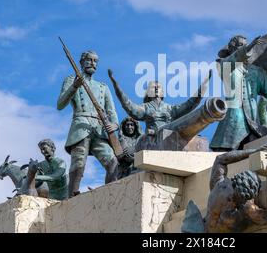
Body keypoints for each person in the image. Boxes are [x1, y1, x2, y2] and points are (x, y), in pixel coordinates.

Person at [210, 35, 267, 151]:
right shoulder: (225, 66)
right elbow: (232, 60)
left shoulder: (257, 72)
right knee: (228, 152)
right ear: (232, 49)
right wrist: (247, 48)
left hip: (252, 122)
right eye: (241, 46)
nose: (247, 47)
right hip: (233, 119)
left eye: (246, 45)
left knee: (253, 154)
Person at [57, 50, 119, 197]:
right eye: (89, 60)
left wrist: (115, 125)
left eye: (95, 61)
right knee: (78, 164)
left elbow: (112, 111)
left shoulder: (103, 87)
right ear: (81, 62)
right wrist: (74, 86)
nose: (92, 63)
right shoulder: (71, 79)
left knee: (113, 162)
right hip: (81, 125)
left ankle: (110, 193)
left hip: (99, 129)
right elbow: (60, 104)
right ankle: (72, 196)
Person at [182, 144, 267, 233]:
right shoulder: (247, 209)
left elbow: (220, 159)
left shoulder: (220, 186)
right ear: (250, 196)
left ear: (236, 179)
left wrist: (254, 151)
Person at [109, 70, 211, 150]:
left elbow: (190, 104)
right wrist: (116, 86)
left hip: (171, 136)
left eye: (159, 87)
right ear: (148, 92)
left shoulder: (170, 108)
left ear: (163, 93)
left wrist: (203, 87)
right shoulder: (145, 108)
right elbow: (129, 106)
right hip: (154, 139)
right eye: (154, 87)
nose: (157, 89)